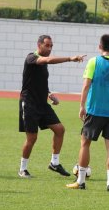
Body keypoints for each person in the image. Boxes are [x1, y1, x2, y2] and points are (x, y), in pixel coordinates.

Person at [18, 35, 86, 178]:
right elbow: (48, 59)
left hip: (42, 104)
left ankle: (54, 163)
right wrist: (70, 58)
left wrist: (49, 94)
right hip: (29, 104)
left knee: (60, 130)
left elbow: (39, 82)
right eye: (47, 45)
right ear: (39, 45)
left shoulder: (43, 64)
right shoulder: (31, 58)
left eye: (51, 46)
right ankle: (22, 169)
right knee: (32, 138)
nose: (49, 48)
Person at [66, 34, 109, 191]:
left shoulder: (94, 62)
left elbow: (86, 85)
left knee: (85, 144)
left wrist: (82, 106)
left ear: (100, 46)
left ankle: (80, 181)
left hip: (95, 110)